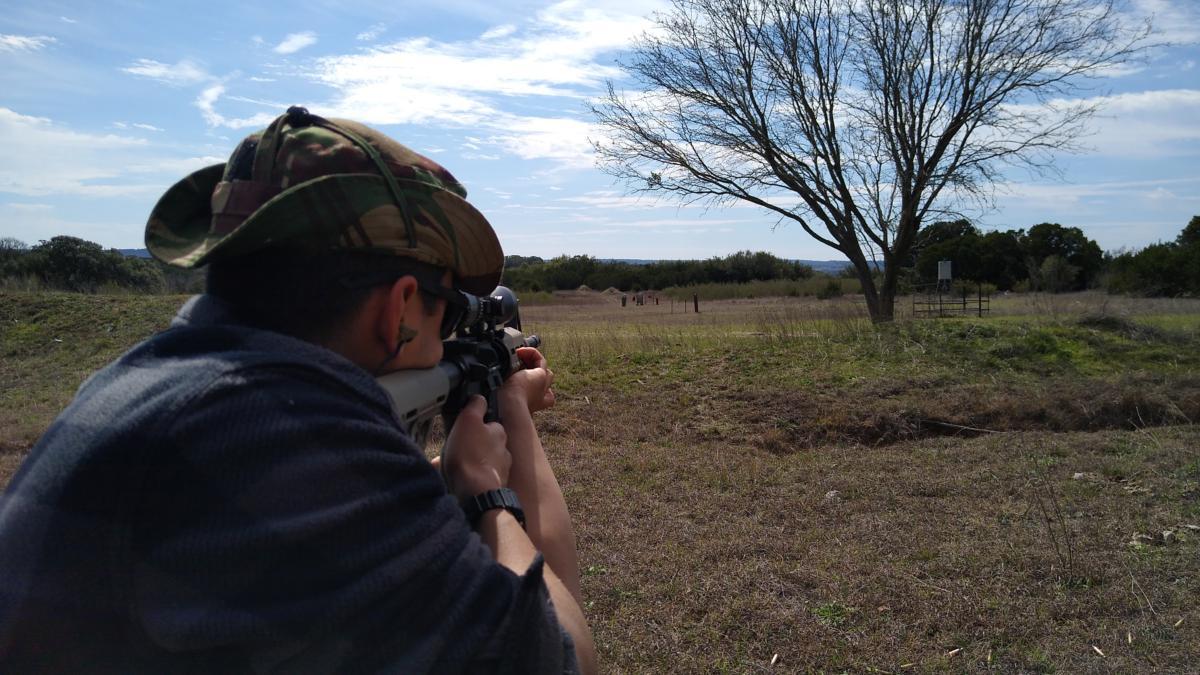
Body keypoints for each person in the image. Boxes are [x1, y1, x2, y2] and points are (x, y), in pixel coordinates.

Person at [0, 107, 596, 673]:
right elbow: (564, 657)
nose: (445, 341)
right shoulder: (291, 440)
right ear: (401, 309)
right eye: (446, 312)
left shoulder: (141, 384)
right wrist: (489, 484)